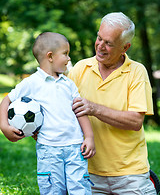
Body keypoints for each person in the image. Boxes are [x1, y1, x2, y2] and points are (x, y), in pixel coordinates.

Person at [68, 12, 157, 194]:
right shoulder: (80, 69)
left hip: (130, 173)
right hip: (87, 170)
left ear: (125, 47)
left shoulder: (137, 72)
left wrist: (94, 108)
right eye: (99, 38)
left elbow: (135, 121)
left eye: (109, 43)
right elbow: (63, 111)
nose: (100, 46)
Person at [0, 32, 96, 195]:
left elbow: (80, 111)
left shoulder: (69, 84)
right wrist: (4, 126)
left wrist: (89, 137)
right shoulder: (31, 83)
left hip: (75, 147)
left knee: (80, 189)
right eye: (65, 54)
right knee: (52, 190)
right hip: (48, 150)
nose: (69, 59)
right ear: (50, 56)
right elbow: (6, 101)